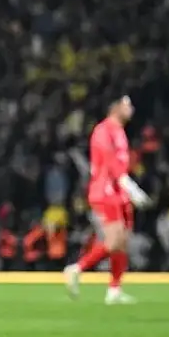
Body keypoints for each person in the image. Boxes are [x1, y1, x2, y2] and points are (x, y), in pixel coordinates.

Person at [64, 96, 151, 304]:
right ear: (115, 107)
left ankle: (114, 289)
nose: (131, 109)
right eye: (126, 105)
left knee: (123, 241)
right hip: (106, 191)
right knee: (113, 241)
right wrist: (131, 187)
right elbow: (110, 163)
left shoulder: (120, 131)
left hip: (119, 191)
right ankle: (77, 268)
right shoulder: (103, 131)